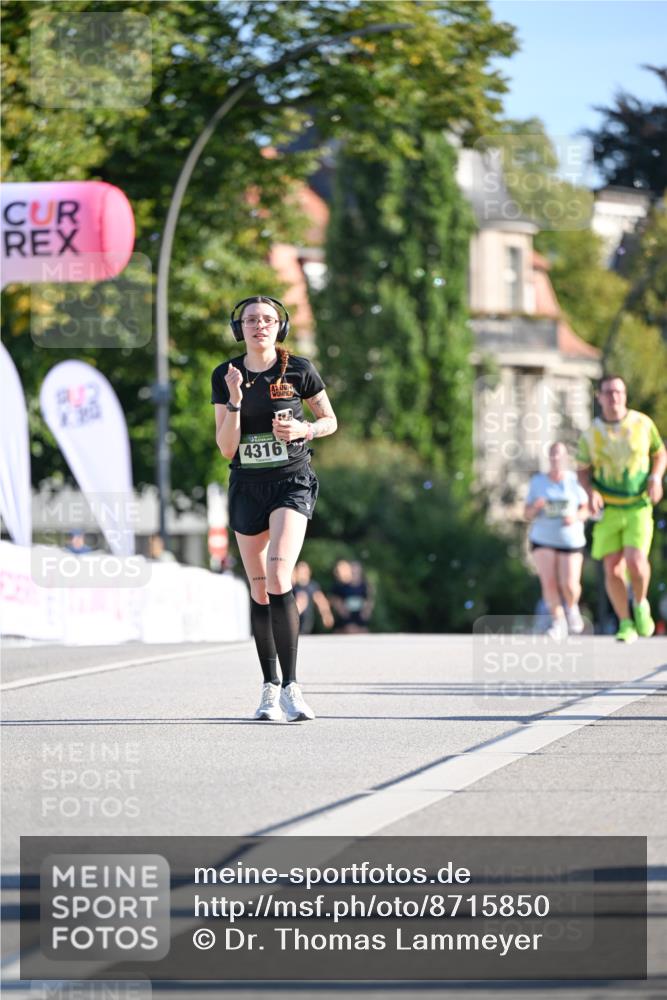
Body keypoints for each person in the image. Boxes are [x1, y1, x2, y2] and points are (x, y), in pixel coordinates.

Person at [212, 295, 337, 720]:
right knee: (259, 587)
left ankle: (292, 687)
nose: (259, 326)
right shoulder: (226, 375)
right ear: (239, 328)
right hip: (247, 485)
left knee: (281, 574)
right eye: (250, 320)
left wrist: (305, 428)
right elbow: (227, 447)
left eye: (267, 320)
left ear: (278, 327)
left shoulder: (299, 369)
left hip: (291, 481)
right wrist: (234, 401)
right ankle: (268, 687)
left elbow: (330, 420)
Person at [576, 374, 666, 643]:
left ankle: (640, 604)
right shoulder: (591, 434)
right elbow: (582, 470)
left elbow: (660, 453)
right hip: (609, 510)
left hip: (638, 506)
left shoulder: (642, 423)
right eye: (609, 392)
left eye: (619, 392)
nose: (614, 397)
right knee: (613, 569)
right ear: (599, 397)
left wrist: (655, 478)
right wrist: (589, 492)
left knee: (637, 564)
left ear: (624, 395)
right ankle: (625, 622)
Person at [524, 442, 589, 639]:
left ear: (566, 458)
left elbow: (587, 509)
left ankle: (571, 607)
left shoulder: (575, 481)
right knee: (549, 583)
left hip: (570, 539)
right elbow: (526, 513)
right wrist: (536, 507)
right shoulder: (538, 482)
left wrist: (575, 517)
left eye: (559, 455)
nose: (555, 459)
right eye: (552, 455)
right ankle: (557, 621)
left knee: (569, 585)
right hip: (543, 538)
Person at [330, 558, 374, 633]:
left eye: (356, 569)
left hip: (360, 620)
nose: (354, 571)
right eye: (352, 569)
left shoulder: (365, 586)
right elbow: (334, 600)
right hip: (345, 621)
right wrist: (341, 610)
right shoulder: (341, 586)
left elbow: (369, 601)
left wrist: (366, 612)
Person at [292, 560, 334, 634]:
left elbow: (321, 601)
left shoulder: (312, 586)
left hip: (306, 625)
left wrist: (326, 615)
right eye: (299, 571)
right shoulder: (292, 587)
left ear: (309, 572)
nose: (301, 574)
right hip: (293, 625)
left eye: (304, 571)